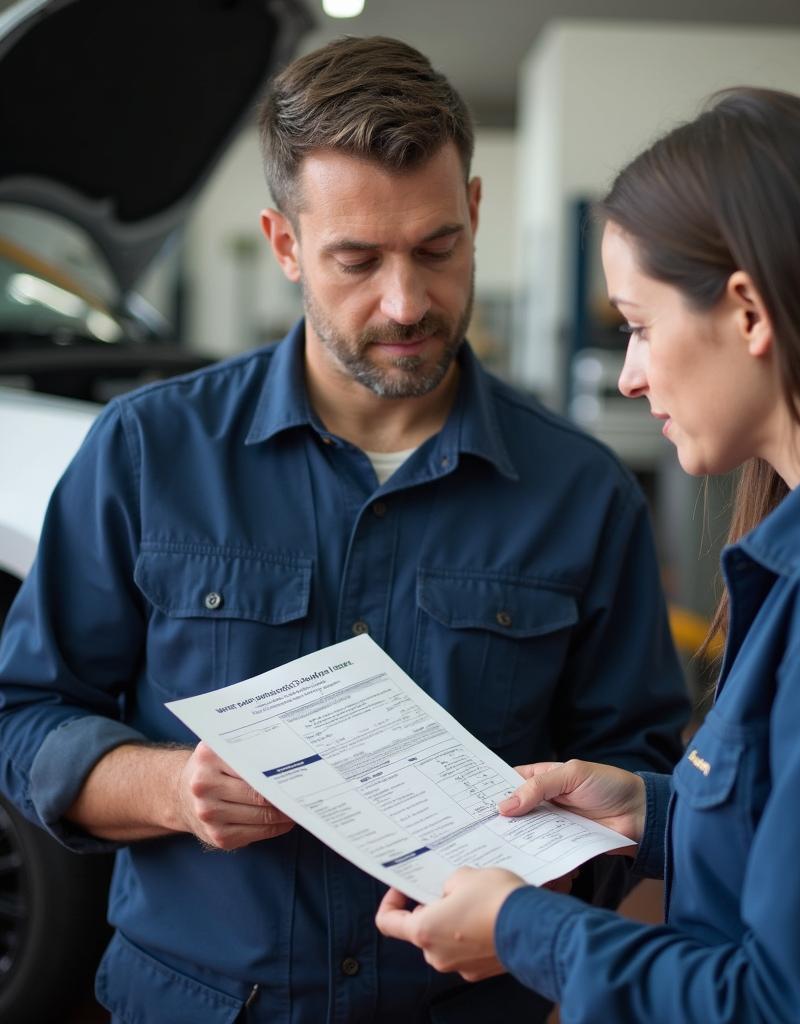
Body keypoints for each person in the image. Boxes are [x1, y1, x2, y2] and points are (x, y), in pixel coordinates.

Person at [0, 37, 688, 1024]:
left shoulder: (581, 492)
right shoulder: (146, 453)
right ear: (284, 244)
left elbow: (641, 774)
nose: (405, 302)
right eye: (357, 261)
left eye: (437, 249)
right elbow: (22, 717)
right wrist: (168, 787)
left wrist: (536, 915)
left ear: (477, 213)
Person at [376, 86, 800, 1023]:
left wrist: (526, 929)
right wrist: (649, 813)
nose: (632, 374)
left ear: (750, 312)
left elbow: (790, 1004)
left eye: (639, 325)